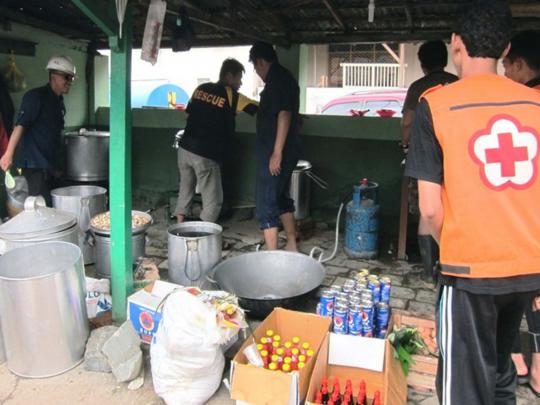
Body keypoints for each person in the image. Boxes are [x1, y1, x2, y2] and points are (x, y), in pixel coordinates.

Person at [405, 2, 540, 404]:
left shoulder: (437, 103)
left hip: (469, 273)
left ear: (456, 44)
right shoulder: (535, 104)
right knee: (501, 372)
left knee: (463, 386)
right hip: (526, 265)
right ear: (505, 48)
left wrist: (455, 250)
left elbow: (429, 209)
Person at [174, 58, 257, 223]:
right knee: (213, 199)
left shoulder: (200, 89)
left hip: (184, 148)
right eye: (239, 78)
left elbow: (188, 114)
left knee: (185, 189)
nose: (240, 83)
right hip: (205, 153)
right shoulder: (233, 96)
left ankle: (179, 226)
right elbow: (258, 109)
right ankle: (204, 235)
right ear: (229, 76)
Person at [502, 30, 540, 396]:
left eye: (506, 67)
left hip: (524, 218)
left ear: (518, 64)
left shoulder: (520, 105)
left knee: (518, 288)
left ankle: (516, 359)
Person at [401, 40, 458, 282]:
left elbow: (407, 122)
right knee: (454, 209)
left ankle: (428, 270)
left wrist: (404, 146)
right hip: (456, 158)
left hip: (425, 157)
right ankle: (450, 262)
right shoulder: (458, 84)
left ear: (422, 63)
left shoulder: (419, 88)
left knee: (427, 211)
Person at [0, 55, 75, 206]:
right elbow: (20, 125)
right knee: (41, 208)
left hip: (52, 166)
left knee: (56, 207)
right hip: (35, 166)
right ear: (53, 76)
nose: (69, 82)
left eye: (71, 78)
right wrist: (8, 154)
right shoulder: (35, 97)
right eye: (66, 77)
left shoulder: (58, 101)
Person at [249, 42, 301, 251]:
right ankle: (291, 244)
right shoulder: (286, 77)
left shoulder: (277, 81)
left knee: (266, 203)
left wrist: (276, 152)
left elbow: (284, 113)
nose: (257, 72)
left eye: (256, 67)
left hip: (276, 152)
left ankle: (272, 256)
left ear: (261, 62)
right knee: (280, 197)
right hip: (288, 150)